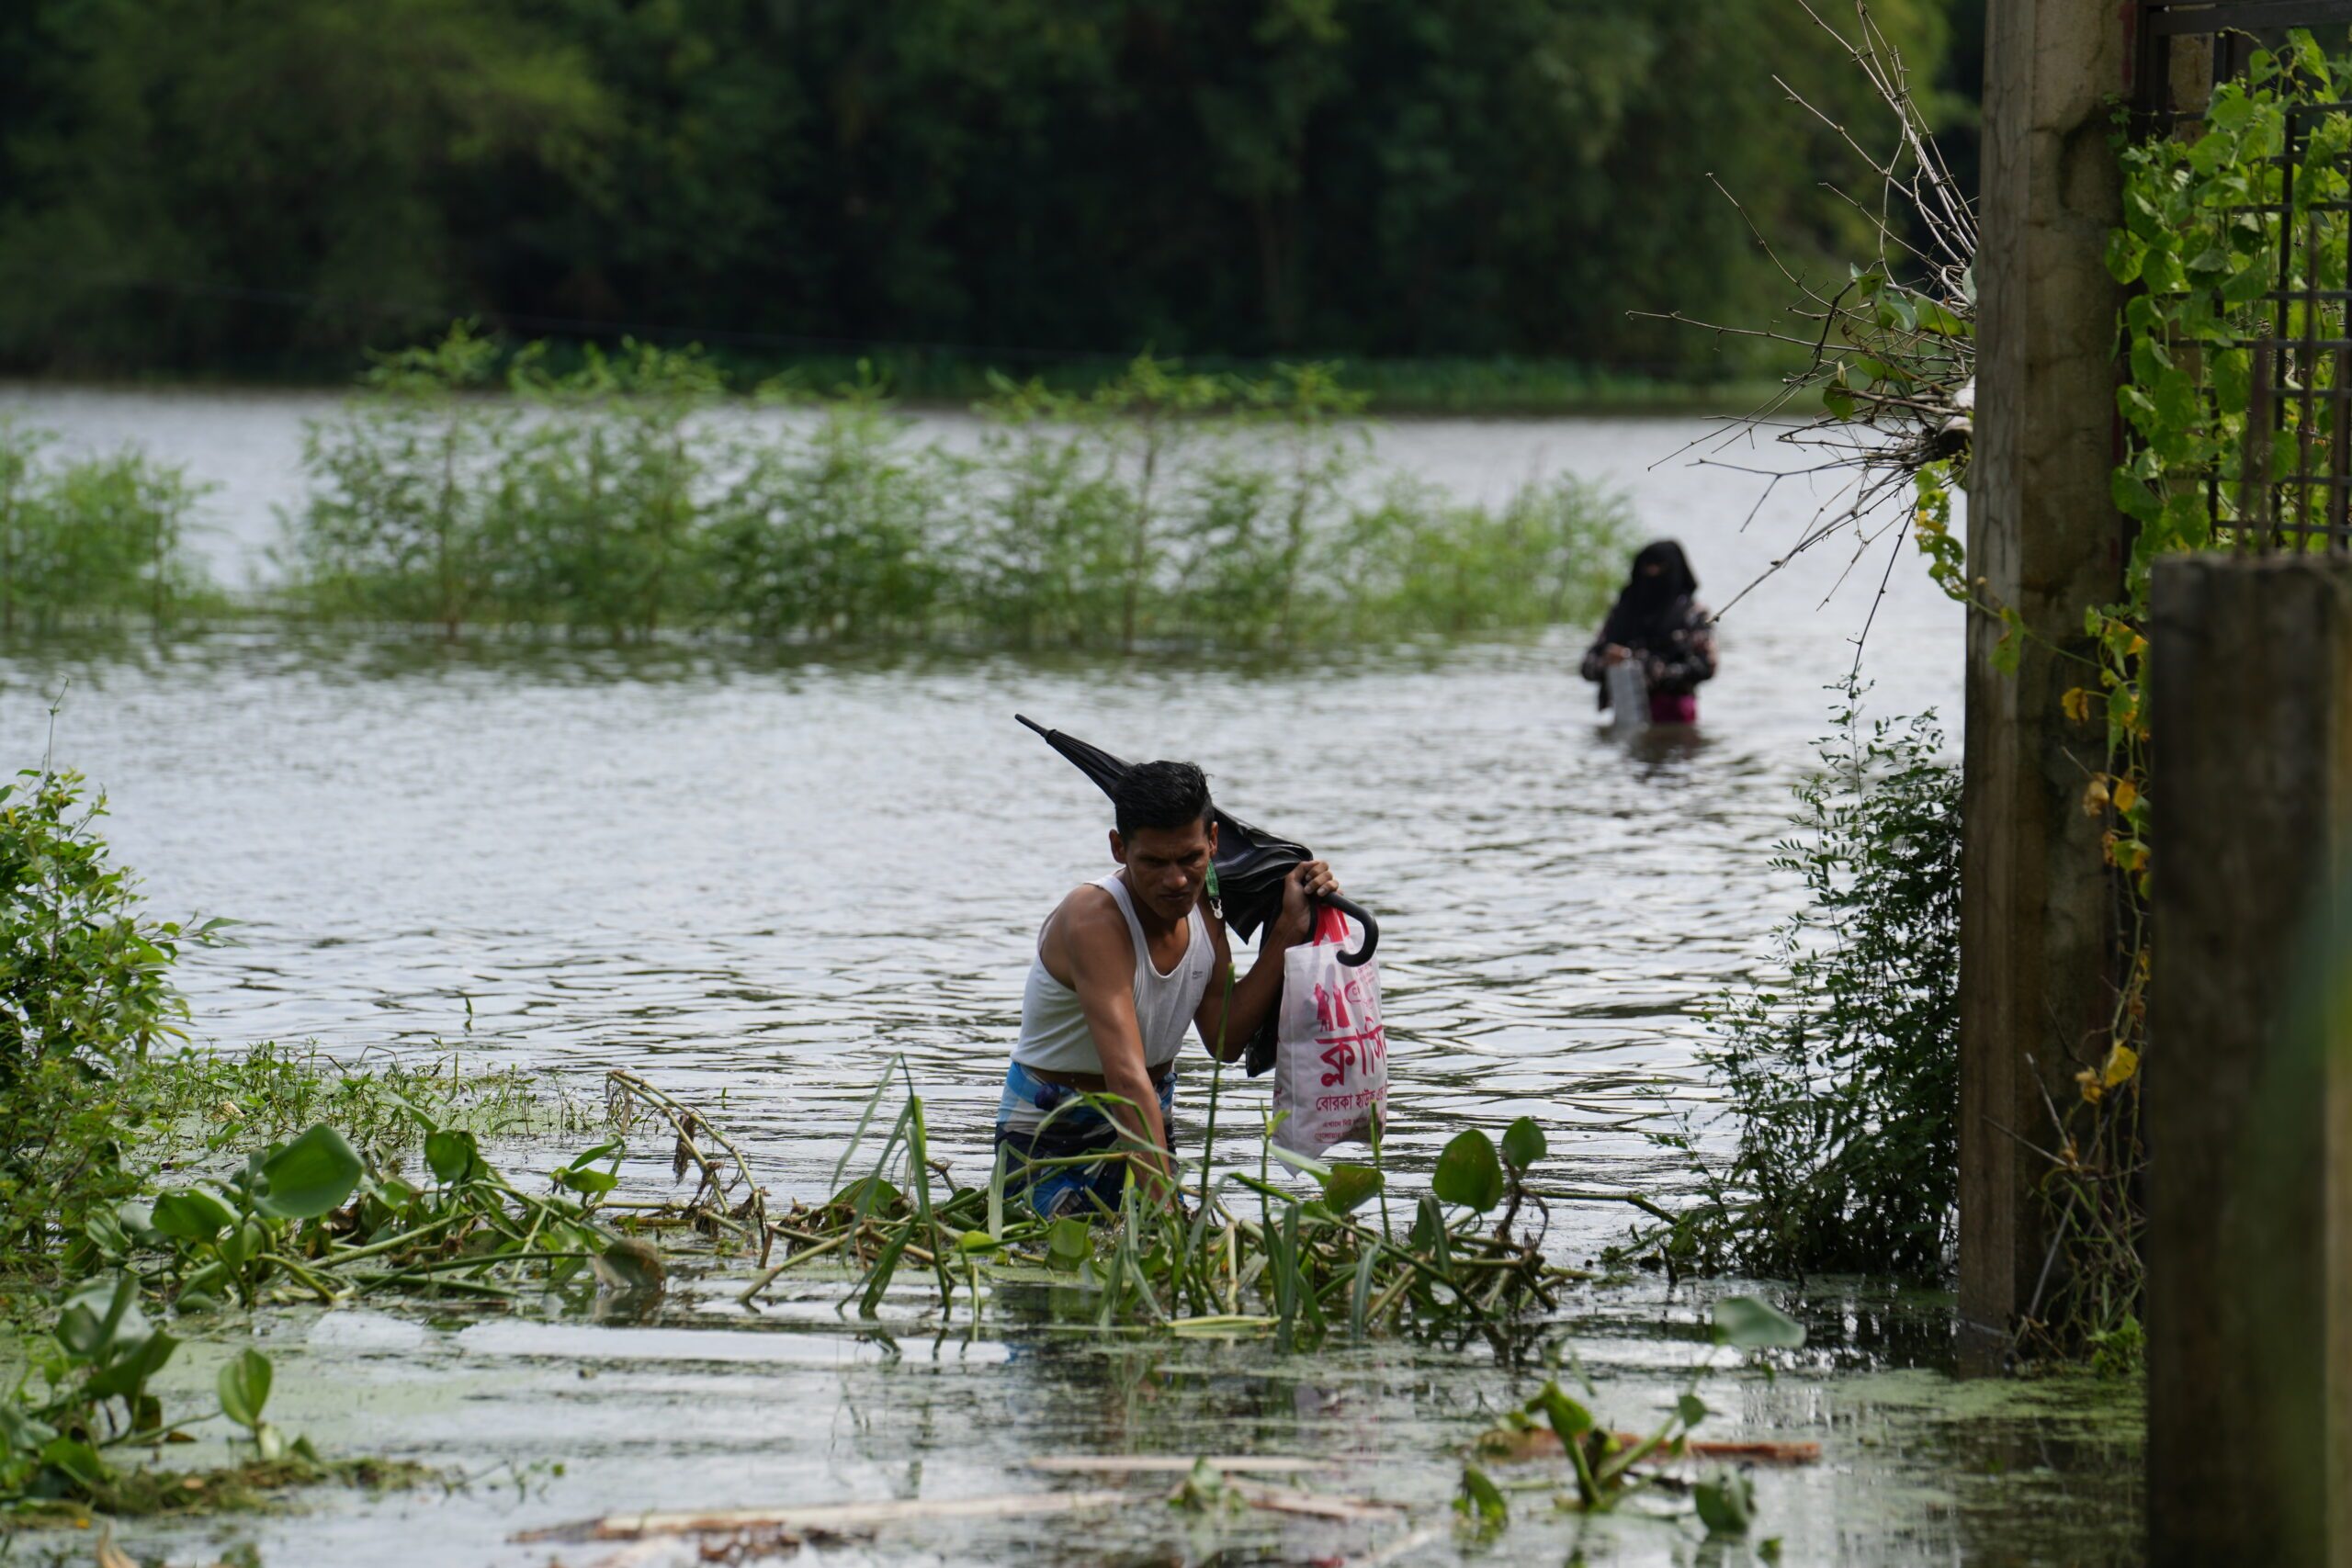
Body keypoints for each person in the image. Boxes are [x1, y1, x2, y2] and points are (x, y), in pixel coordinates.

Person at [996, 760, 1340, 1218]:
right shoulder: (1093, 919)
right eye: (1154, 862)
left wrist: (1287, 930)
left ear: (1213, 841)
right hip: (1055, 1128)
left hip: (1149, 1114)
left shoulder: (1208, 905)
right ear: (1119, 848)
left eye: (1190, 858)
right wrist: (1170, 1214)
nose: (1176, 880)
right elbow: (1125, 1076)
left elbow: (1225, 1038)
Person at [1580, 540, 1716, 724]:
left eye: (1659, 567)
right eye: (1647, 566)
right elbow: (1587, 666)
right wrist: (1608, 662)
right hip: (1624, 713)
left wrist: (1654, 669)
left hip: (1675, 719)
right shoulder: (1622, 614)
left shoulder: (1692, 615)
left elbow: (1705, 667)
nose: (1652, 573)